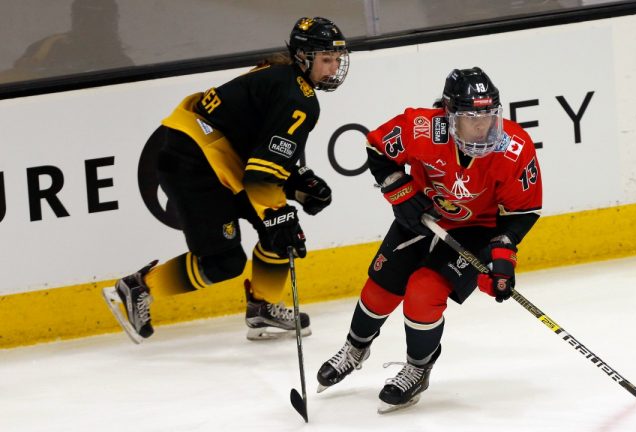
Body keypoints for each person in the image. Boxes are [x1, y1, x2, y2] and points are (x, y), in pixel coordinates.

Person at [102, 17, 349, 344]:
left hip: (208, 155)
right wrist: (279, 212)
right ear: (303, 57)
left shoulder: (280, 77)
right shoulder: (298, 99)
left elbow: (256, 149)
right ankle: (139, 287)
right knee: (225, 260)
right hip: (193, 163)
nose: (333, 69)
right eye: (326, 60)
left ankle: (264, 307)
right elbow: (261, 174)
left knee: (278, 235)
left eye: (336, 60)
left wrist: (294, 182)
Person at [316, 67, 542, 413]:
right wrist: (401, 193)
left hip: (476, 228)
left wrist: (502, 255)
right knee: (381, 288)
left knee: (423, 290)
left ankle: (418, 368)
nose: (483, 126)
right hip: (423, 214)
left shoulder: (514, 147)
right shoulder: (423, 127)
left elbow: (522, 212)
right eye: (471, 117)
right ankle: (355, 347)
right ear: (450, 115)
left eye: (489, 115)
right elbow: (376, 148)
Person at [0, 0, 133, 84]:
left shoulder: (121, 64)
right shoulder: (49, 46)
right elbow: (20, 75)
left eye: (101, 19)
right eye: (84, 17)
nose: (91, 24)